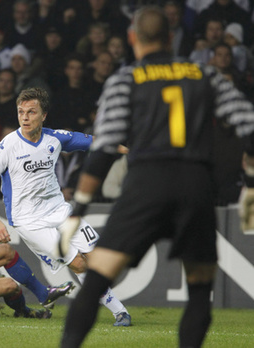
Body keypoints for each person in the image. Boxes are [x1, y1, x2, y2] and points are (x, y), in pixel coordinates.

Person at [59, 6, 254, 347]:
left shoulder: (124, 79)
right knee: (199, 291)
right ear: (170, 38)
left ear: (133, 38)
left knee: (95, 282)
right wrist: (250, 182)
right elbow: (249, 125)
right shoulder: (204, 74)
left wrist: (78, 210)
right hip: (195, 186)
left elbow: (104, 150)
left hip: (145, 185)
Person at [0, 87, 131, 327]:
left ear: (43, 115)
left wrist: (131, 152)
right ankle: (120, 312)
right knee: (78, 263)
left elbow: (94, 143)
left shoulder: (54, 138)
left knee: (97, 258)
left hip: (60, 210)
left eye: (31, 112)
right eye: (21, 112)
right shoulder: (8, 147)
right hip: (28, 220)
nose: (25, 118)